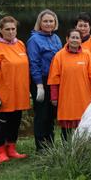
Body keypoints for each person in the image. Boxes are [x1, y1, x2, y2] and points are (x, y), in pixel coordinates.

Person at [0, 16, 30, 163]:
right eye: (7, 29)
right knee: (1, 124)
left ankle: (11, 149)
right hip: (3, 95)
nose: (11, 32)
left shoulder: (20, 44)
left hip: (20, 94)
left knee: (15, 122)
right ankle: (0, 152)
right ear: (1, 31)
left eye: (13, 29)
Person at [47, 29, 91, 141]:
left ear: (81, 40)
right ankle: (66, 150)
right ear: (67, 39)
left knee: (84, 125)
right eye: (72, 37)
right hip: (66, 98)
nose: (75, 40)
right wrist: (54, 97)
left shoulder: (87, 55)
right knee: (66, 128)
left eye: (77, 38)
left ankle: (84, 151)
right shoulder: (59, 56)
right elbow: (54, 78)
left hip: (84, 97)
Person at [27, 9, 62, 152]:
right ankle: (41, 148)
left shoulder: (56, 38)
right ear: (40, 23)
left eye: (51, 21)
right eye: (45, 21)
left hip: (54, 81)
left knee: (51, 115)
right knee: (42, 114)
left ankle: (50, 144)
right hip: (41, 81)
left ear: (55, 23)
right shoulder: (34, 40)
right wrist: (39, 85)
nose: (48, 24)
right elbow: (33, 63)